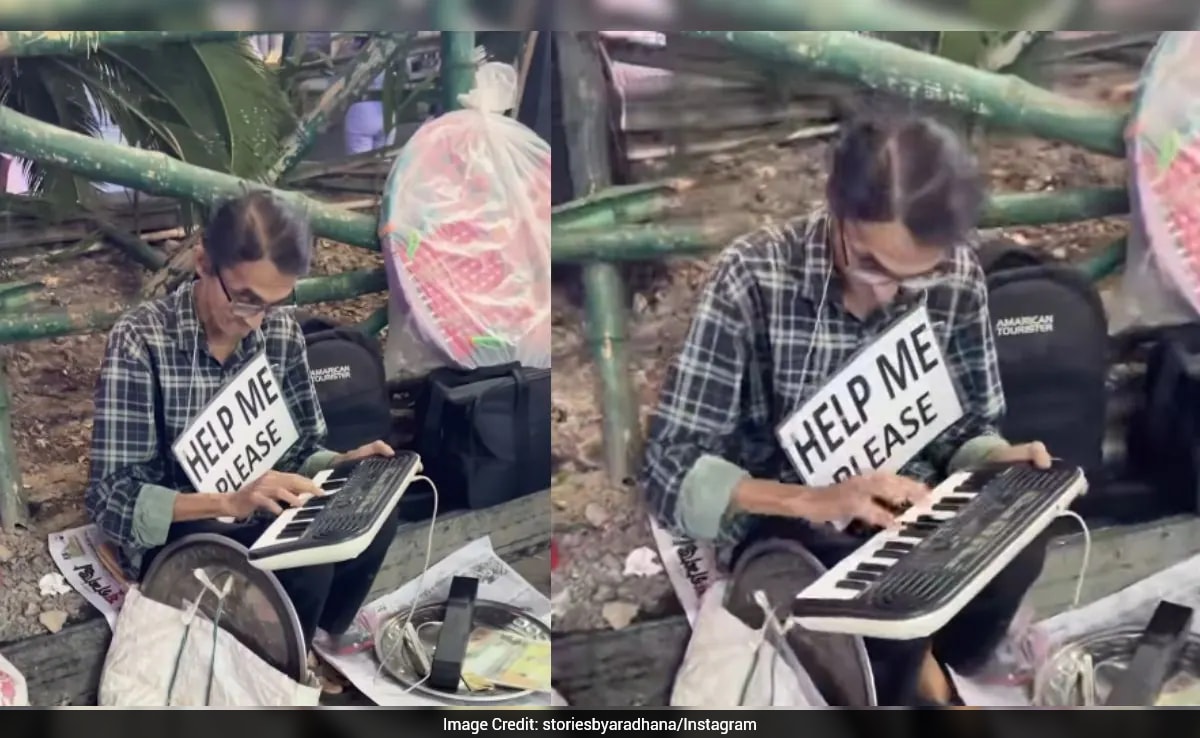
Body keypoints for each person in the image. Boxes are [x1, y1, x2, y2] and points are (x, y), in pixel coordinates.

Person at [640, 114, 1055, 706]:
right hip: (799, 525)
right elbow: (668, 471)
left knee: (1022, 543)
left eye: (911, 278)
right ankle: (917, 679)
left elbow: (965, 429)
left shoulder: (956, 275)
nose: (883, 292)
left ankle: (938, 664)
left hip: (921, 506)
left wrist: (996, 463)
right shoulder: (754, 278)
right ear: (835, 207)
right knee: (866, 600)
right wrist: (814, 499)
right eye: (867, 262)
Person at [85, 191, 398, 661]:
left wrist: (340, 465)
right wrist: (229, 500)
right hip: (183, 525)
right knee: (299, 570)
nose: (254, 322)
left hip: (259, 508)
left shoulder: (281, 332)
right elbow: (111, 497)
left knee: (372, 510)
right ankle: (276, 672)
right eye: (245, 300)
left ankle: (320, 641)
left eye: (273, 304)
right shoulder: (142, 340)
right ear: (203, 262)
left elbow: (297, 452)